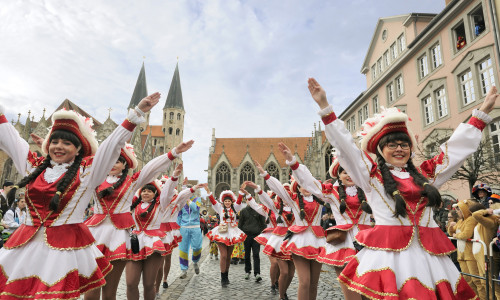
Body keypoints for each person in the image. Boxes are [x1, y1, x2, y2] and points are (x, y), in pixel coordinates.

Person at [307, 77, 497, 299]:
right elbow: (347, 148)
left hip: (430, 258)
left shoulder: (426, 175)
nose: (399, 149)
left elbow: (454, 152)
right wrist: (325, 109)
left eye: (404, 144)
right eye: (392, 145)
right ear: (381, 149)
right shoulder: (371, 175)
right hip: (391, 257)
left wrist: (481, 115)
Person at [0, 92, 160, 299]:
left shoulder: (87, 172)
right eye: (55, 141)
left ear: (78, 150)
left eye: (67, 143)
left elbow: (110, 147)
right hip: (24, 244)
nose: (59, 146)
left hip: (62, 250)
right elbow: (12, 140)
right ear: (48, 146)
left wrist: (135, 115)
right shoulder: (34, 166)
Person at [84, 139, 193, 300]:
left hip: (118, 237)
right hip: (94, 235)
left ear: (125, 165)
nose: (114, 164)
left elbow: (150, 169)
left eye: (119, 161)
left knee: (110, 291)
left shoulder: (131, 183)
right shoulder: (94, 179)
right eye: (111, 161)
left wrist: (173, 153)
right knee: (91, 290)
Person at [126, 177, 204, 300]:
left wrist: (181, 183)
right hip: (136, 242)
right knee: (130, 283)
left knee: (152, 279)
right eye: (144, 190)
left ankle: (163, 282)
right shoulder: (134, 204)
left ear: (156, 193)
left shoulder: (161, 205)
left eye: (149, 191)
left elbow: (175, 196)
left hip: (157, 238)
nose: (145, 193)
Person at [205, 187, 247, 287]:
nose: (227, 202)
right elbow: (213, 201)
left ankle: (226, 275)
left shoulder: (235, 208)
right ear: (223, 202)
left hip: (232, 233)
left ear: (231, 201)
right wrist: (208, 192)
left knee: (228, 256)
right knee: (223, 255)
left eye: (229, 201)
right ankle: (223, 277)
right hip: (222, 232)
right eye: (225, 201)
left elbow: (240, 200)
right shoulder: (219, 208)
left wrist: (241, 191)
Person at [237, 184, 267, 282]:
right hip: (246, 235)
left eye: (251, 200)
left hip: (256, 235)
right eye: (248, 200)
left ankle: (257, 273)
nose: (249, 201)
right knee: (246, 255)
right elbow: (240, 225)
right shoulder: (243, 211)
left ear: (253, 200)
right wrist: (240, 235)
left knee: (256, 255)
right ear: (246, 201)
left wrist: (262, 234)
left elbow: (263, 224)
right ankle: (247, 271)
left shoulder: (259, 210)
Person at [472, 201, 500, 300]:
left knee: (495, 286)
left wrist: (485, 211)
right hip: (485, 255)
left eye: (491, 207)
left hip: (489, 256)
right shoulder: (489, 220)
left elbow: (475, 214)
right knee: (488, 283)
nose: (489, 208)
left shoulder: (492, 221)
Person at [177, 191, 204, 278]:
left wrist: (188, 200)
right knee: (183, 249)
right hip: (184, 228)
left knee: (197, 247)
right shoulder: (181, 203)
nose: (187, 195)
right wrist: (177, 228)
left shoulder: (197, 199)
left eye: (189, 193)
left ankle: (195, 261)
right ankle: (184, 270)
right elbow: (179, 216)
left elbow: (195, 208)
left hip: (195, 227)